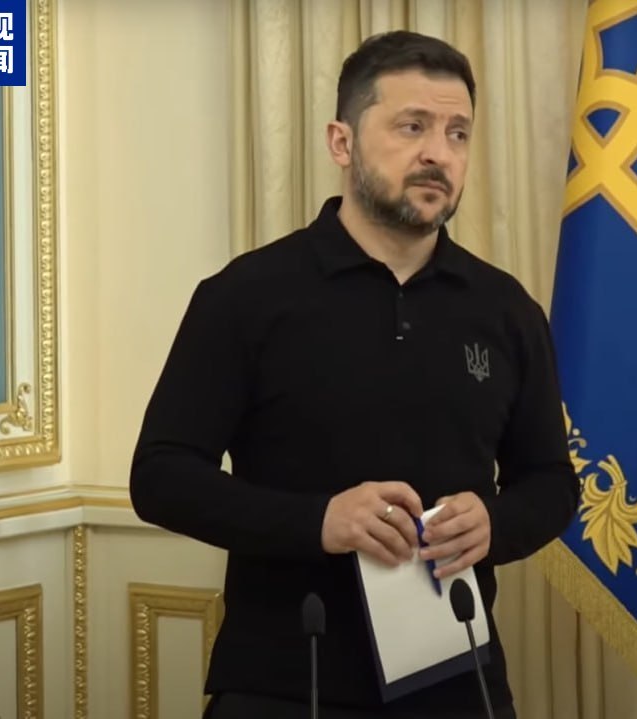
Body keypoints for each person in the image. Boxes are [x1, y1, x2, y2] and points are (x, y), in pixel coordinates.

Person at [130, 30, 579, 719]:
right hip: (283, 680)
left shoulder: (506, 309)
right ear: (341, 143)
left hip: (459, 679)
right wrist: (320, 520)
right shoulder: (245, 296)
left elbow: (550, 482)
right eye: (412, 126)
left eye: (458, 133)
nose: (438, 153)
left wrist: (494, 521)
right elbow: (161, 476)